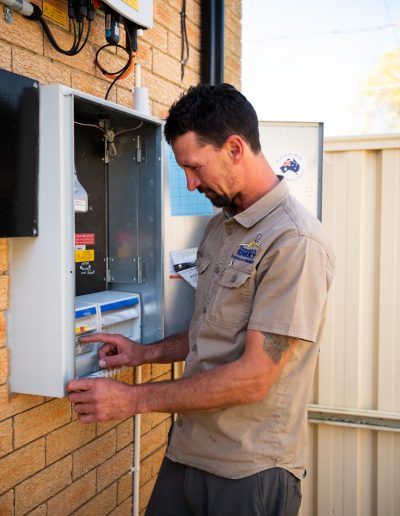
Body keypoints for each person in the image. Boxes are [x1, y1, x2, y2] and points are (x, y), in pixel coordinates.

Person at [67, 83, 335, 516]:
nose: (190, 184)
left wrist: (132, 401)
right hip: (187, 455)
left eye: (194, 167)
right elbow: (208, 333)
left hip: (248, 471)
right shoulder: (220, 227)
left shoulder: (294, 242)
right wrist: (143, 352)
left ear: (234, 148)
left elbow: (254, 377)